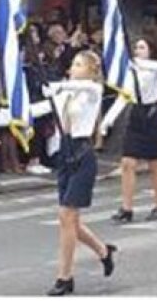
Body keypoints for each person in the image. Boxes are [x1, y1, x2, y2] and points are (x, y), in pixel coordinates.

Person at [28, 51, 117, 296]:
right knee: (69, 221)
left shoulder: (92, 90)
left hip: (82, 154)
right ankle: (104, 251)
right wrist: (17, 112)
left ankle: (64, 277)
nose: (73, 67)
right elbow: (42, 108)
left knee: (67, 215)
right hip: (65, 154)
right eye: (73, 63)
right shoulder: (64, 92)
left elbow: (85, 89)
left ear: (90, 70)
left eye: (79, 64)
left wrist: (56, 86)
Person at [102, 37, 157, 223]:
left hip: (153, 115)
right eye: (136, 48)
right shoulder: (130, 72)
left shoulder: (156, 68)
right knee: (127, 163)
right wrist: (108, 120)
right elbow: (124, 97)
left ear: (150, 50)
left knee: (155, 164)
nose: (138, 50)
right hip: (137, 115)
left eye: (142, 47)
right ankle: (126, 208)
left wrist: (135, 62)